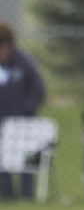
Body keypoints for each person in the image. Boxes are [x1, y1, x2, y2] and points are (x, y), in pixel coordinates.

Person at [0, 20, 46, 200]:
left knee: (24, 162)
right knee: (2, 164)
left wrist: (26, 110)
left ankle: (27, 198)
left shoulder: (23, 63)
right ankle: (5, 197)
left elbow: (37, 90)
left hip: (21, 124)